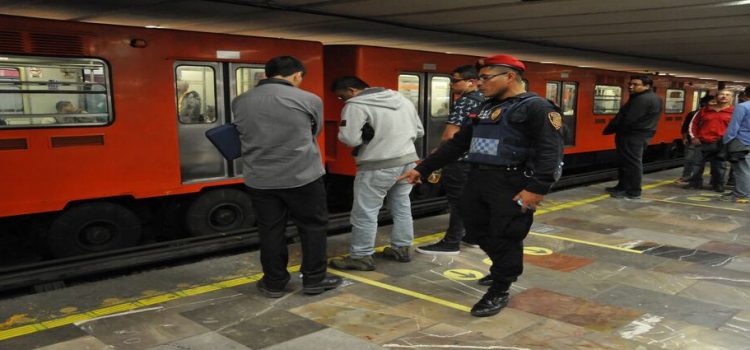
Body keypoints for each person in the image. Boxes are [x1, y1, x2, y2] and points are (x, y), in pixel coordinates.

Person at [398, 54, 564, 317]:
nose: (479, 83)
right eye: (478, 78)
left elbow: (550, 152)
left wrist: (537, 188)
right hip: (478, 179)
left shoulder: (538, 108)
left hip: (512, 182)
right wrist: (423, 168)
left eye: (486, 78)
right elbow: (459, 143)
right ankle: (502, 265)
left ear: (509, 76)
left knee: (506, 234)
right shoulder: (486, 107)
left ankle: (500, 287)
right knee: (474, 230)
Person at [232, 56, 341, 298]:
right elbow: (315, 130)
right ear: (296, 76)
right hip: (303, 175)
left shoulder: (240, 101)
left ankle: (274, 283)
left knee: (270, 230)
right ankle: (314, 279)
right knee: (312, 227)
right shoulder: (310, 99)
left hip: (260, 178)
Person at [328, 76, 424, 271]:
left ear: (352, 90)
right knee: (401, 204)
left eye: (341, 97)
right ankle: (402, 248)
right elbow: (419, 131)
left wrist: (367, 136)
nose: (342, 101)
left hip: (377, 164)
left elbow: (349, 139)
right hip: (407, 161)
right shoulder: (402, 100)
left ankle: (361, 256)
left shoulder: (356, 104)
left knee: (366, 211)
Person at [416, 65, 484, 255]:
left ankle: (451, 242)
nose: (451, 84)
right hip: (477, 158)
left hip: (458, 160)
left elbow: (450, 135)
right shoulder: (485, 99)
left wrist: (439, 155)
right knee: (471, 199)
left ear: (470, 82)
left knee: (457, 201)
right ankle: (473, 237)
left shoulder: (464, 102)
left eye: (455, 80)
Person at [603, 75, 663, 199]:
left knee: (631, 163)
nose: (631, 87)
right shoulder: (654, 98)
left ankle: (633, 191)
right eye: (630, 84)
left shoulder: (642, 99)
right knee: (626, 162)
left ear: (647, 86)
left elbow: (629, 119)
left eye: (636, 84)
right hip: (640, 134)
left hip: (632, 135)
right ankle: (622, 186)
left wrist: (615, 128)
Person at [685, 89, 734, 192]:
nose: (724, 96)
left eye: (727, 95)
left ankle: (718, 184)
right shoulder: (704, 110)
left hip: (721, 143)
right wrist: (694, 137)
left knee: (719, 166)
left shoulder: (734, 112)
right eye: (721, 94)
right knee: (697, 164)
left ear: (731, 98)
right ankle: (695, 183)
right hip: (702, 142)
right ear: (716, 97)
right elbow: (693, 124)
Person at [721, 86, 750, 203]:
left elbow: (733, 127)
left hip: (742, 142)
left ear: (746, 94)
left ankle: (742, 195)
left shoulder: (742, 107)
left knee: (742, 170)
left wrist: (726, 142)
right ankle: (742, 191)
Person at [676, 95, 712, 184]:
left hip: (712, 141)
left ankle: (714, 181)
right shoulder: (694, 114)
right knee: (690, 159)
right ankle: (688, 177)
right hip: (695, 140)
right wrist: (685, 137)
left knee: (715, 162)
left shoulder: (717, 114)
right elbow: (686, 126)